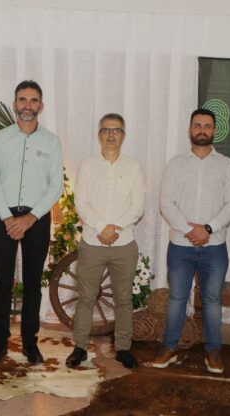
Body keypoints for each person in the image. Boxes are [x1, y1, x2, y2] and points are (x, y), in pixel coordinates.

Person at [152, 108, 230, 373]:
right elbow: (166, 203)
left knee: (212, 299)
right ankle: (169, 346)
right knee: (177, 298)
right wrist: (189, 230)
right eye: (197, 125)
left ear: (215, 130)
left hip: (215, 247)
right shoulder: (175, 164)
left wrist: (208, 229)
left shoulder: (226, 165)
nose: (202, 130)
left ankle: (213, 350)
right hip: (180, 246)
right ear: (190, 129)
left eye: (207, 125)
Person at [0, 80, 63, 365]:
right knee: (2, 283)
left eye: (33, 100)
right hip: (2, 217)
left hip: (36, 219)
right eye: (22, 99)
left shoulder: (52, 142)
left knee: (32, 283)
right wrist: (8, 218)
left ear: (41, 105)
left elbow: (55, 185)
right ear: (14, 103)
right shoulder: (0, 139)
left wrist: (30, 218)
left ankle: (30, 343)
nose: (27, 105)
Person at [65, 113, 145, 369]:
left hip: (124, 244)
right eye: (107, 130)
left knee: (124, 300)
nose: (111, 134)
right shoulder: (88, 165)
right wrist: (102, 227)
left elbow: (138, 205)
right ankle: (80, 347)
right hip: (92, 242)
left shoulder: (133, 166)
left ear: (123, 135)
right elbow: (81, 203)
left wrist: (115, 228)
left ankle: (123, 348)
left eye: (116, 130)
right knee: (85, 298)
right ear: (99, 135)